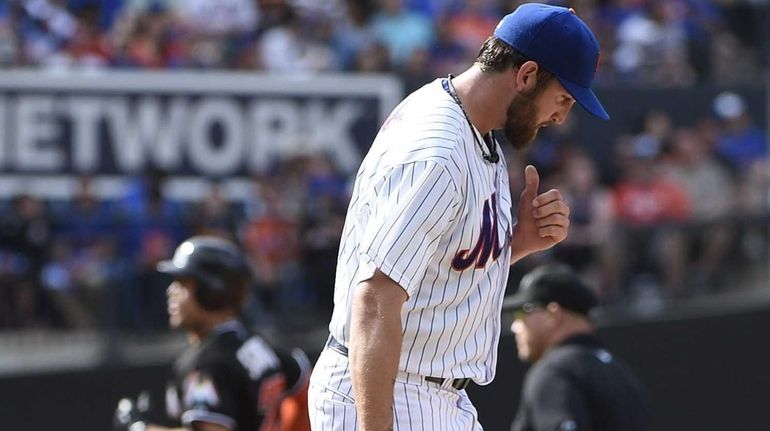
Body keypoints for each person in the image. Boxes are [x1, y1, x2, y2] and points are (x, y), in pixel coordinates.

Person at [308, 3, 609, 430]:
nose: (562, 115)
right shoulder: (439, 150)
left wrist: (519, 242)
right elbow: (375, 298)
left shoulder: (472, 127)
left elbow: (441, 267)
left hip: (430, 391)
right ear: (525, 75)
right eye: (563, 97)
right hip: (389, 391)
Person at [113, 236, 312, 431]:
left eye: (183, 284)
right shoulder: (256, 344)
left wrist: (140, 428)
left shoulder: (208, 363)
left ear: (213, 291)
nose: (171, 291)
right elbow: (305, 388)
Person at [504, 265, 650, 431]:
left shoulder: (555, 371)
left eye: (523, 312)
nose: (515, 326)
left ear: (553, 315)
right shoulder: (622, 375)